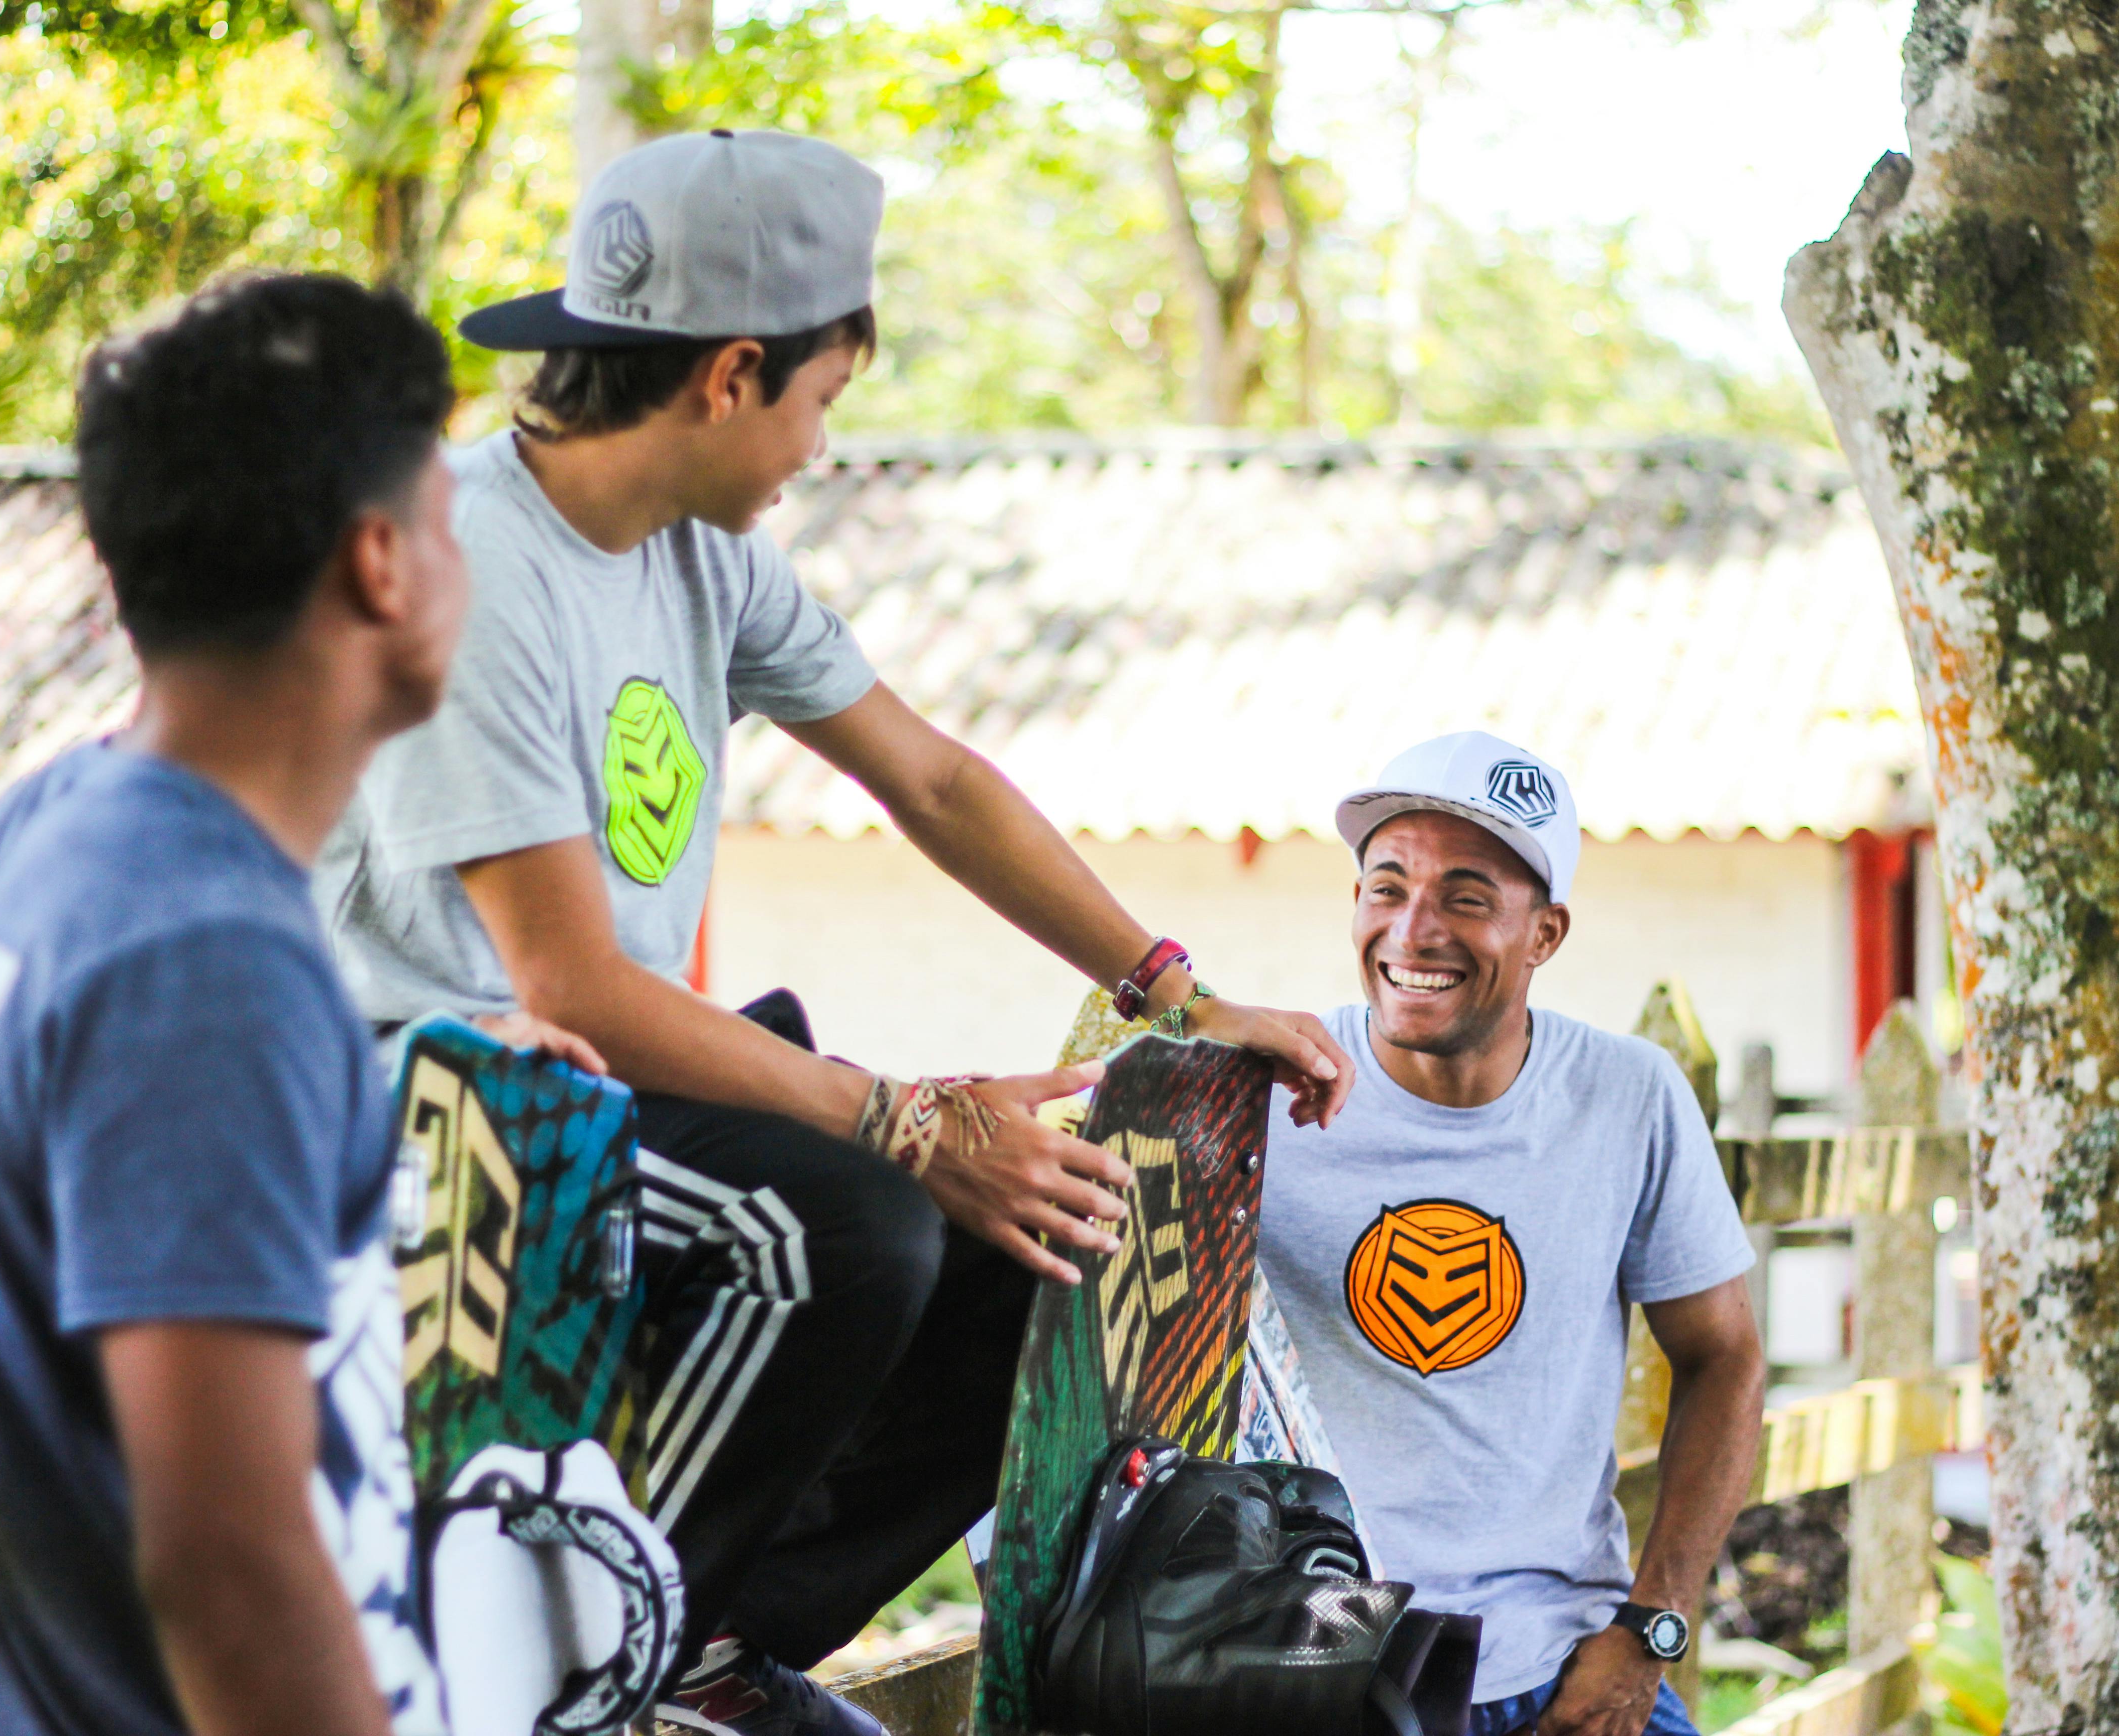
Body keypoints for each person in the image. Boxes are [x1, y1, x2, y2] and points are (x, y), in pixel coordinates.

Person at [315, 128, 1354, 1735]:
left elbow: (932, 778)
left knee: (1031, 1242)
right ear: (732, 376)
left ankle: (707, 1645)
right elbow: (568, 982)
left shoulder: (703, 559)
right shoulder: (470, 566)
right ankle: (585, 1665)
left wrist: (1175, 996)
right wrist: (905, 1120)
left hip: (594, 1077)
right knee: (850, 1227)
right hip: (421, 1086)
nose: (822, 444)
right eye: (823, 400)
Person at [0, 274, 597, 1736]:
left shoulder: (46, 836)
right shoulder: (205, 956)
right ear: (383, 565)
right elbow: (231, 1569)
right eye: (454, 527)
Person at [1256, 732, 1768, 1736]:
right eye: (1386, 886)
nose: (1414, 931)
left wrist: (1647, 1634)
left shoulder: (1626, 1099)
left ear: (1546, 934)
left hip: (1565, 1654)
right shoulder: (1263, 1099)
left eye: (1468, 898)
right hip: (1329, 1651)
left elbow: (1728, 1359)